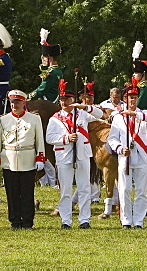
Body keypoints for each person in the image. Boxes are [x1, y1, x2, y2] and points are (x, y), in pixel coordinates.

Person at [46, 81, 102, 229]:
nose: (64, 103)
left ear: (73, 101)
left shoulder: (82, 114)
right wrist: (65, 139)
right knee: (65, 189)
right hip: (64, 156)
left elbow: (100, 114)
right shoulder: (55, 118)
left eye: (67, 100)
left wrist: (84, 107)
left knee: (84, 188)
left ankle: (84, 220)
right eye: (62, 100)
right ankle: (66, 220)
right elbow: (49, 138)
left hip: (82, 154)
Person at [107, 78, 147, 228]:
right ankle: (126, 220)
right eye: (130, 98)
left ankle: (139, 220)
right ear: (125, 99)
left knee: (141, 190)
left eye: (135, 98)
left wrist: (138, 115)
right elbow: (112, 139)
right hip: (125, 156)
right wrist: (119, 149)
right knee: (124, 189)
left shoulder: (143, 114)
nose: (132, 100)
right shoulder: (118, 117)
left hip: (142, 156)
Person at [0, 90, 45, 229]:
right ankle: (15, 221)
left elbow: (39, 139)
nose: (14, 105)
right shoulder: (2, 119)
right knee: (12, 192)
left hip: (27, 158)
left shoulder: (34, 119)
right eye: (12, 102)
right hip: (9, 160)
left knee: (27, 192)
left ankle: (28, 221)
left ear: (24, 102)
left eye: (17, 102)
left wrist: (40, 157)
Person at [30, 29, 63, 102]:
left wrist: (28, 97)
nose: (43, 60)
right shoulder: (57, 71)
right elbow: (44, 68)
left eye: (44, 58)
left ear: (50, 58)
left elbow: (42, 90)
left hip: (47, 103)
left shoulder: (51, 73)